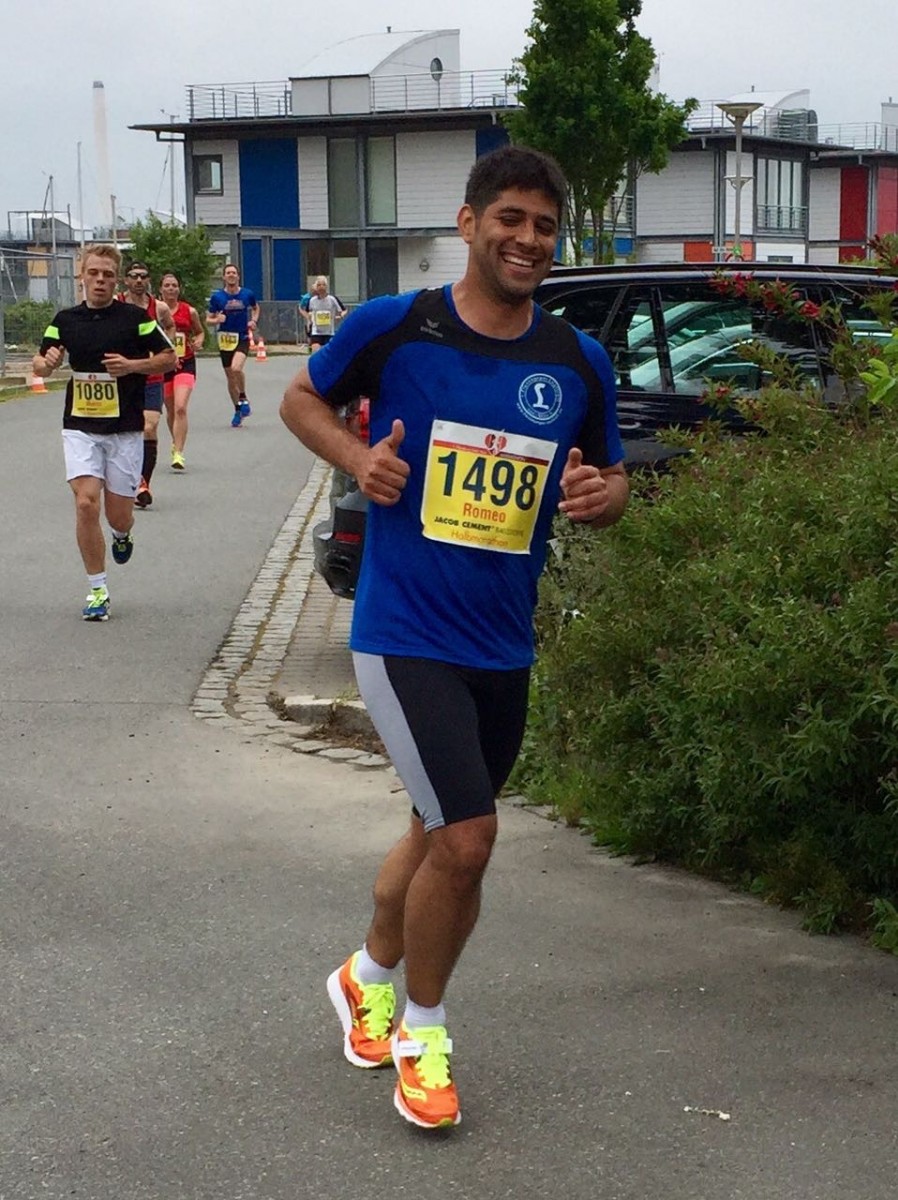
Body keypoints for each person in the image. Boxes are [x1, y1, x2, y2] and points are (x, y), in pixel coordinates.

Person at [280, 145, 629, 1129]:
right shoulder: (396, 328)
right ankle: (422, 1036)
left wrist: (603, 497)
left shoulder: (577, 361)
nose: (527, 239)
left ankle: (365, 976)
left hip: (502, 643)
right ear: (469, 223)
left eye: (544, 226)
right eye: (509, 218)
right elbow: (300, 399)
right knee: (469, 840)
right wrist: (358, 458)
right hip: (403, 629)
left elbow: (610, 477)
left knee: (435, 833)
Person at [32, 244, 176, 620]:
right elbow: (40, 362)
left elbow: (169, 358)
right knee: (85, 503)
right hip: (80, 426)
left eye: (107, 275)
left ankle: (122, 534)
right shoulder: (65, 320)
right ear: (82, 276)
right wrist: (46, 363)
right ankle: (98, 590)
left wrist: (131, 366)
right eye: (93, 273)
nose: (100, 280)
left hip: (124, 430)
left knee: (119, 516)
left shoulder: (136, 318)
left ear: (117, 281)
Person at [117, 262, 175, 507]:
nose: (139, 280)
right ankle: (123, 477)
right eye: (134, 276)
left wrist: (164, 349)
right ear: (126, 280)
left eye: (143, 276)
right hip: (123, 377)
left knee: (149, 427)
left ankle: (143, 484)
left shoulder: (159, 307)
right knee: (124, 430)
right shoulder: (116, 304)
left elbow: (170, 326)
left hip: (151, 375)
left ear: (149, 280)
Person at [159, 272, 205, 469]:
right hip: (163, 365)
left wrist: (198, 341)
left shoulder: (189, 311)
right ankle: (175, 441)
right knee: (170, 409)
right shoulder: (155, 310)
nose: (171, 289)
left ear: (179, 289)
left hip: (185, 363)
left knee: (180, 407)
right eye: (167, 285)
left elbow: (200, 332)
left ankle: (178, 453)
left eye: (174, 285)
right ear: (160, 289)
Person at [206, 263, 259, 427]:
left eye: (234, 273)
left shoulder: (247, 294)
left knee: (236, 369)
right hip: (225, 340)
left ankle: (243, 397)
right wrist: (217, 319)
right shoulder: (217, 297)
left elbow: (256, 308)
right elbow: (208, 319)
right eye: (228, 273)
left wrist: (253, 320)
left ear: (238, 276)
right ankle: (238, 409)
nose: (231, 275)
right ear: (224, 277)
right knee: (230, 376)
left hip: (242, 337)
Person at [300, 275, 346, 352]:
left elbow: (344, 310)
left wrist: (340, 316)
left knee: (328, 354)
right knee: (316, 352)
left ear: (326, 287)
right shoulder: (312, 300)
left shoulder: (332, 299)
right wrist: (309, 319)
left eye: (323, 285)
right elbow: (305, 310)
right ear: (316, 287)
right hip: (316, 331)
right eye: (319, 285)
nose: (321, 287)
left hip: (329, 332)